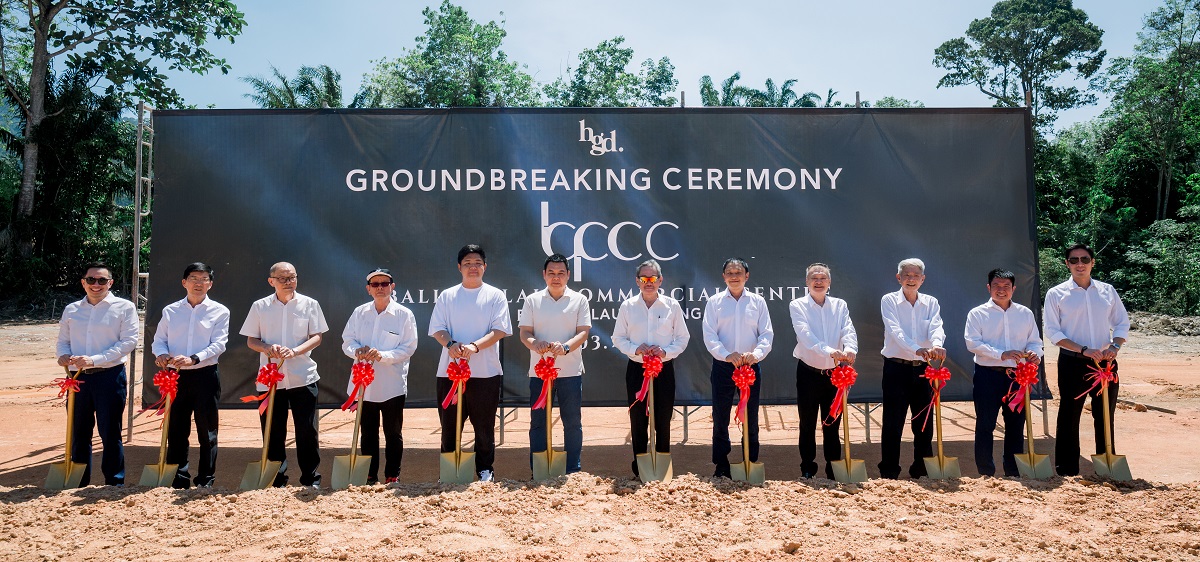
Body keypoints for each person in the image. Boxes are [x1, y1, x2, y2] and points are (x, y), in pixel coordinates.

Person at [239, 262, 328, 488]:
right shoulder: (260, 306)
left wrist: (296, 351)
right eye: (282, 278)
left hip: (303, 376)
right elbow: (251, 340)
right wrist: (267, 348)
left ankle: (311, 480)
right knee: (273, 431)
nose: (288, 282)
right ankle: (276, 481)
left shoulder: (310, 304)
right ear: (271, 281)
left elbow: (317, 337)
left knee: (307, 431)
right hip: (270, 379)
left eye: (292, 277)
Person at [1044, 243, 1130, 476]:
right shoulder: (1056, 294)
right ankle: (1067, 469)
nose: (1079, 264)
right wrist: (1083, 350)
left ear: (1093, 263)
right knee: (1069, 414)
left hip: (1106, 363)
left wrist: (1115, 346)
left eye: (1084, 259)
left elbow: (1122, 323)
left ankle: (1107, 466)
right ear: (1067, 264)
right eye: (1074, 260)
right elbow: (1053, 332)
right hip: (1073, 362)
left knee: (1105, 414)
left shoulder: (1107, 291)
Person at [429, 244, 513, 483]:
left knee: (484, 426)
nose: (472, 267)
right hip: (449, 374)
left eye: (477, 263)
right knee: (449, 426)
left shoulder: (495, 296)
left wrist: (474, 347)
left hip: (485, 374)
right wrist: (451, 344)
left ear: (485, 267)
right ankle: (449, 470)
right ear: (459, 267)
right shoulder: (447, 296)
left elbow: (499, 330)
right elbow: (437, 329)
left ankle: (485, 469)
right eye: (467, 263)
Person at [55, 261, 138, 486]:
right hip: (77, 379)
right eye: (91, 279)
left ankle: (114, 483)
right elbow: (63, 341)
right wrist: (63, 355)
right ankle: (78, 483)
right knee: (79, 432)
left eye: (102, 280)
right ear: (83, 282)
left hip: (109, 377)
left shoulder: (125, 307)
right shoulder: (72, 309)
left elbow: (128, 342)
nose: (96, 284)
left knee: (110, 432)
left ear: (110, 283)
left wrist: (94, 360)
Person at [151, 262, 230, 489]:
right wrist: (161, 354)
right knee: (176, 429)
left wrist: (194, 359)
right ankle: (178, 478)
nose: (199, 283)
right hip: (175, 377)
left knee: (207, 431)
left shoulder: (220, 311)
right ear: (184, 282)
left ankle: (205, 480)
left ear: (210, 284)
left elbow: (219, 344)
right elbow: (159, 340)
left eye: (204, 279)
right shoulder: (170, 311)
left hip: (205, 376)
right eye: (194, 278)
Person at [612, 259, 691, 478]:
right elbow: (618, 338)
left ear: (660, 280)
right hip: (637, 370)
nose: (649, 282)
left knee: (663, 419)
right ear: (637, 281)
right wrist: (635, 349)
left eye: (653, 278)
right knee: (638, 419)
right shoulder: (627, 306)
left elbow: (683, 338)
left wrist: (665, 352)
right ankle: (640, 468)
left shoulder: (672, 306)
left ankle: (662, 466)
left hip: (663, 370)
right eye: (644, 278)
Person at [341, 268, 418, 484]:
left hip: (392, 386)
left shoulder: (404, 314)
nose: (380, 288)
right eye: (375, 284)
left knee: (393, 433)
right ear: (369, 289)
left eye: (384, 283)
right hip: (364, 386)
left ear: (392, 287)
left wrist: (382, 355)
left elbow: (409, 347)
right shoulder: (359, 312)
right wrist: (357, 351)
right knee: (367, 433)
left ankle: (392, 475)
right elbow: (347, 341)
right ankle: (369, 475)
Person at [963, 268, 1043, 477]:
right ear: (988, 287)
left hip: (1018, 377)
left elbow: (1035, 341)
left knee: (1016, 425)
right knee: (985, 424)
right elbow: (973, 343)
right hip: (987, 375)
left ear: (1013, 289)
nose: (1001, 290)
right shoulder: (977, 313)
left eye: (1006, 286)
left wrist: (1035, 353)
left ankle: (1013, 471)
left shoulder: (1025, 313)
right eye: (996, 286)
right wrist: (1001, 354)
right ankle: (985, 473)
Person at [519, 254, 591, 475]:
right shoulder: (532, 300)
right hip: (539, 373)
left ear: (568, 275)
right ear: (544, 275)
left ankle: (573, 470)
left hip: (570, 372)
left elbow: (583, 332)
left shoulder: (580, 300)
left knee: (572, 422)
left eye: (561, 273)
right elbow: (525, 333)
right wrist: (535, 344)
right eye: (551, 273)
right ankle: (539, 470)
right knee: (538, 422)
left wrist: (566, 347)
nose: (556, 277)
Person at [702, 258, 773, 479]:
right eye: (730, 273)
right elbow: (709, 335)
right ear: (723, 276)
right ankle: (721, 464)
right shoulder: (714, 302)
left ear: (747, 276)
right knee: (720, 417)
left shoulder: (758, 302)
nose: (734, 276)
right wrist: (726, 354)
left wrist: (756, 354)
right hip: (724, 367)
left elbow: (766, 334)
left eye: (738, 272)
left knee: (751, 417)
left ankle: (750, 462)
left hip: (750, 367)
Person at [877, 258, 946, 480]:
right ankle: (889, 472)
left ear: (922, 279)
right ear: (899, 278)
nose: (911, 279)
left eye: (916, 275)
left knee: (924, 422)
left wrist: (937, 344)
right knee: (893, 422)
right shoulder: (889, 300)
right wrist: (917, 349)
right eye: (907, 275)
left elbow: (937, 327)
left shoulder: (931, 302)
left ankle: (922, 470)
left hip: (924, 369)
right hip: (896, 368)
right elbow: (895, 331)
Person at [789, 262, 859, 479]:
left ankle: (833, 469)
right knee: (807, 423)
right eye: (814, 278)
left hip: (834, 375)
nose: (818, 282)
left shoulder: (840, 305)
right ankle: (807, 468)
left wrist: (850, 349)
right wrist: (830, 351)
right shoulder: (797, 305)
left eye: (822, 278)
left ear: (829, 282)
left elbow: (848, 329)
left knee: (833, 424)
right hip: (808, 373)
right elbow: (805, 336)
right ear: (807, 282)